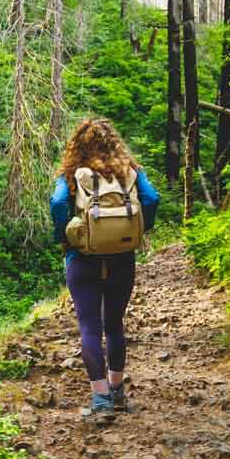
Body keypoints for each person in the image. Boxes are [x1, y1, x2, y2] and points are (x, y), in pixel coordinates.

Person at [49, 117, 160, 421]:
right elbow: (151, 199)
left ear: (78, 145)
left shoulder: (72, 174)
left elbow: (58, 202)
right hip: (122, 256)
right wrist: (137, 230)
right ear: (115, 143)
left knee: (89, 327)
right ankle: (118, 393)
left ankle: (100, 400)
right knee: (114, 324)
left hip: (82, 258)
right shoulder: (130, 172)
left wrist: (65, 235)